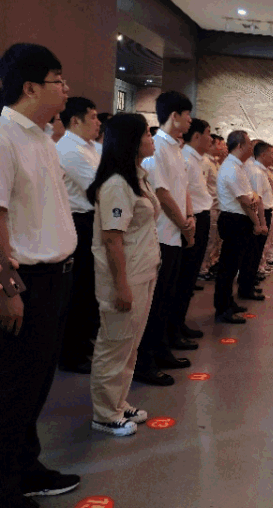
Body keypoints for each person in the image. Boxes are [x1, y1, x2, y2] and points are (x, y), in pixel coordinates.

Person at [0, 43, 80, 508]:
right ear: (30, 87)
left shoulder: (41, 138)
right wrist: (7, 288)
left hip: (55, 278)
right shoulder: (5, 136)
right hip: (26, 281)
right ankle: (6, 485)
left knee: (35, 384)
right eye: (58, 80)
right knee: (13, 387)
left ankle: (26, 468)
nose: (65, 89)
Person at [87, 113, 160, 436]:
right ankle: (104, 413)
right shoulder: (117, 184)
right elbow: (112, 239)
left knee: (130, 343)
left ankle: (118, 401)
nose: (151, 138)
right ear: (131, 140)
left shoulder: (137, 177)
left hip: (142, 271)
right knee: (115, 343)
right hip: (125, 277)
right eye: (147, 134)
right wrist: (121, 286)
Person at [135, 91, 195, 387]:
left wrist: (189, 218)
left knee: (167, 298)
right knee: (155, 302)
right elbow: (161, 192)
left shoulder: (175, 148)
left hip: (175, 234)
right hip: (162, 234)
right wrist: (184, 223)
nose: (190, 120)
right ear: (174, 116)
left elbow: (182, 188)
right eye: (187, 114)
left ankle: (161, 350)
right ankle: (145, 362)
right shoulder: (158, 147)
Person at [56, 97, 102, 374]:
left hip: (91, 219)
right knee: (80, 289)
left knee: (89, 289)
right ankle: (71, 354)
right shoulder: (70, 149)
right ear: (75, 120)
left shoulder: (90, 147)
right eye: (93, 117)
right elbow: (99, 187)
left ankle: (84, 343)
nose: (98, 122)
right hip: (80, 221)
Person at [214, 130, 266, 324]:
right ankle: (222, 309)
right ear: (239, 146)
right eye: (249, 143)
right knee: (228, 268)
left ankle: (228, 301)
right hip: (233, 219)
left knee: (233, 265)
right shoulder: (231, 168)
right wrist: (257, 223)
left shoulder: (238, 166)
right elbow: (246, 200)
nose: (252, 147)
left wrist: (253, 204)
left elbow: (251, 197)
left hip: (238, 219)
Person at [170, 118, 213, 340]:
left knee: (190, 277)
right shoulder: (186, 158)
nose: (211, 139)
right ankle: (173, 328)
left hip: (199, 217)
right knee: (183, 277)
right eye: (208, 133)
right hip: (190, 220)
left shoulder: (196, 159)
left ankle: (179, 323)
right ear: (196, 136)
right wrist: (188, 220)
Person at [239, 140, 273, 300]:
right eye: (272, 154)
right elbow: (257, 200)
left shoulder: (260, 170)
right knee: (253, 253)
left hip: (263, 213)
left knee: (256, 252)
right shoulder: (256, 172)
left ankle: (249, 283)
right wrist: (261, 223)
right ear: (263, 155)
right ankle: (246, 288)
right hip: (261, 214)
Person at [198, 134, 225, 280]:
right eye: (220, 144)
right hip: (210, 207)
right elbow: (203, 187)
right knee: (209, 240)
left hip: (218, 207)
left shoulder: (215, 163)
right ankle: (202, 269)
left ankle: (211, 265)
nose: (223, 147)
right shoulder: (205, 162)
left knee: (215, 240)